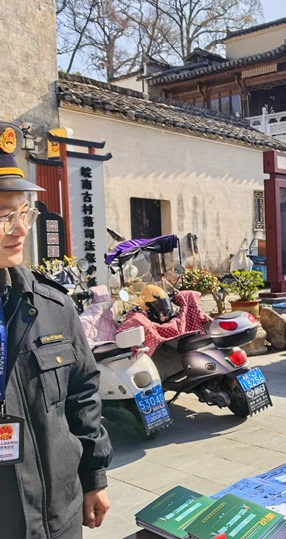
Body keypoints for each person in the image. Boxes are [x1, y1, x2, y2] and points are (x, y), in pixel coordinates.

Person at [0, 122, 112, 537]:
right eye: (4, 216)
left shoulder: (51, 305)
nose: (20, 228)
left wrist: (94, 476)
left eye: (23, 212)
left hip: (56, 515)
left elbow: (82, 391)